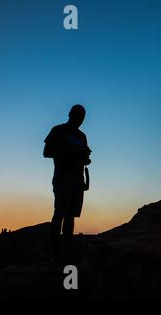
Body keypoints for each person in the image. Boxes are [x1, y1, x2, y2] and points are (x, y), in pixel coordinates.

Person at [44, 104, 91, 262]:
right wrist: (71, 152)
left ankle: (67, 251)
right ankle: (55, 252)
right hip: (63, 177)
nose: (80, 120)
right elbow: (46, 152)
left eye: (82, 117)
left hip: (77, 179)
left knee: (71, 216)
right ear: (70, 114)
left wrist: (85, 158)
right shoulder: (58, 131)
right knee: (60, 213)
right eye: (77, 116)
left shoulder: (82, 136)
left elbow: (84, 157)